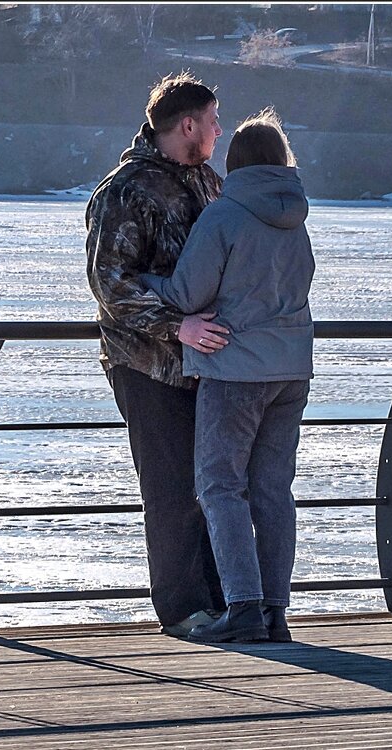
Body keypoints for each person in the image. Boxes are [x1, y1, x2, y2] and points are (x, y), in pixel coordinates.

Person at [139, 108, 316, 644]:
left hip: (234, 369)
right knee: (272, 492)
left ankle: (241, 608)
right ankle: (275, 612)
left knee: (219, 487)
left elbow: (187, 295)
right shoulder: (297, 216)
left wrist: (145, 278)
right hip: (291, 372)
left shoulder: (224, 215)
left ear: (235, 161)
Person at [85, 71, 229, 638]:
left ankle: (225, 604)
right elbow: (110, 284)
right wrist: (179, 327)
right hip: (148, 366)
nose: (219, 130)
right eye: (213, 121)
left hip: (209, 368)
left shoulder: (208, 184)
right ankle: (184, 612)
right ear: (187, 124)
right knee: (171, 492)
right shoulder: (125, 191)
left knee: (215, 488)